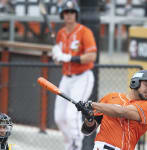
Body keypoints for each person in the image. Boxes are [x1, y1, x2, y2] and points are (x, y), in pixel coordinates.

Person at [51, 0, 97, 150]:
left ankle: (77, 146)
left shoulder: (84, 31)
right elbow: (59, 60)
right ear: (62, 15)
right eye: (66, 12)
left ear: (76, 14)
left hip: (82, 77)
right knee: (59, 117)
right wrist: (57, 55)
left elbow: (92, 56)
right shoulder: (60, 34)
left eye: (71, 12)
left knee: (72, 115)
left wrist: (69, 58)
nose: (69, 15)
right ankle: (69, 145)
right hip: (67, 78)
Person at [77, 70, 147, 150]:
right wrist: (89, 118)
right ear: (135, 82)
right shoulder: (110, 97)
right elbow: (87, 130)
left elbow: (121, 112)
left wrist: (91, 105)